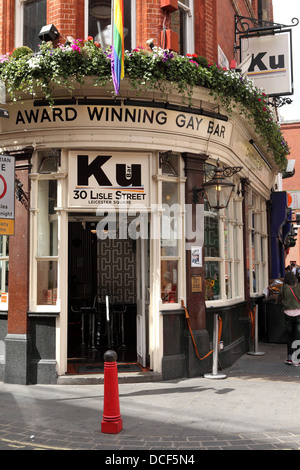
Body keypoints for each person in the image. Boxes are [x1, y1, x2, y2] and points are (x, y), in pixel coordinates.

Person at [276, 272, 300, 365]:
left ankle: (289, 358)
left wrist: (278, 301)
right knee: (298, 337)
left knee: (290, 336)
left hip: (287, 314)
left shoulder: (283, 287)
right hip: (298, 314)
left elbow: (279, 298)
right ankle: (297, 360)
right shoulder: (298, 286)